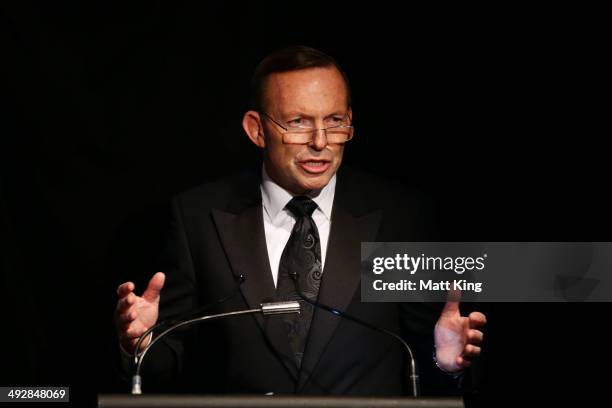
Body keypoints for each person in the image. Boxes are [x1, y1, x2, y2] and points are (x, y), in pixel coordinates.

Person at [114, 45, 486, 395]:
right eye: (298, 122)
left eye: (335, 120)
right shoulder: (195, 217)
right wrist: (141, 344)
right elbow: (167, 367)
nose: (321, 141)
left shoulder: (401, 216)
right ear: (256, 129)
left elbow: (424, 359)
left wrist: (446, 363)